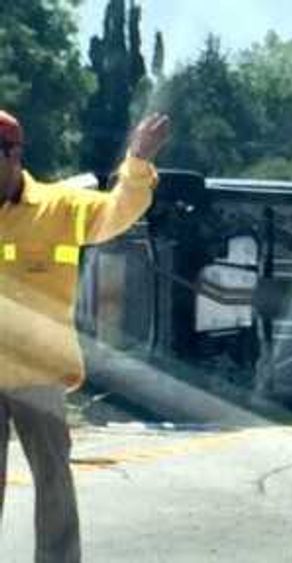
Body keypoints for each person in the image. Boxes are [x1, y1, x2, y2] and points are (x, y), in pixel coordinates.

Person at [0, 109, 170, 562]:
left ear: (13, 155)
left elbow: (118, 213)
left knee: (54, 483)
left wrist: (136, 162)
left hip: (39, 373)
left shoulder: (59, 207)